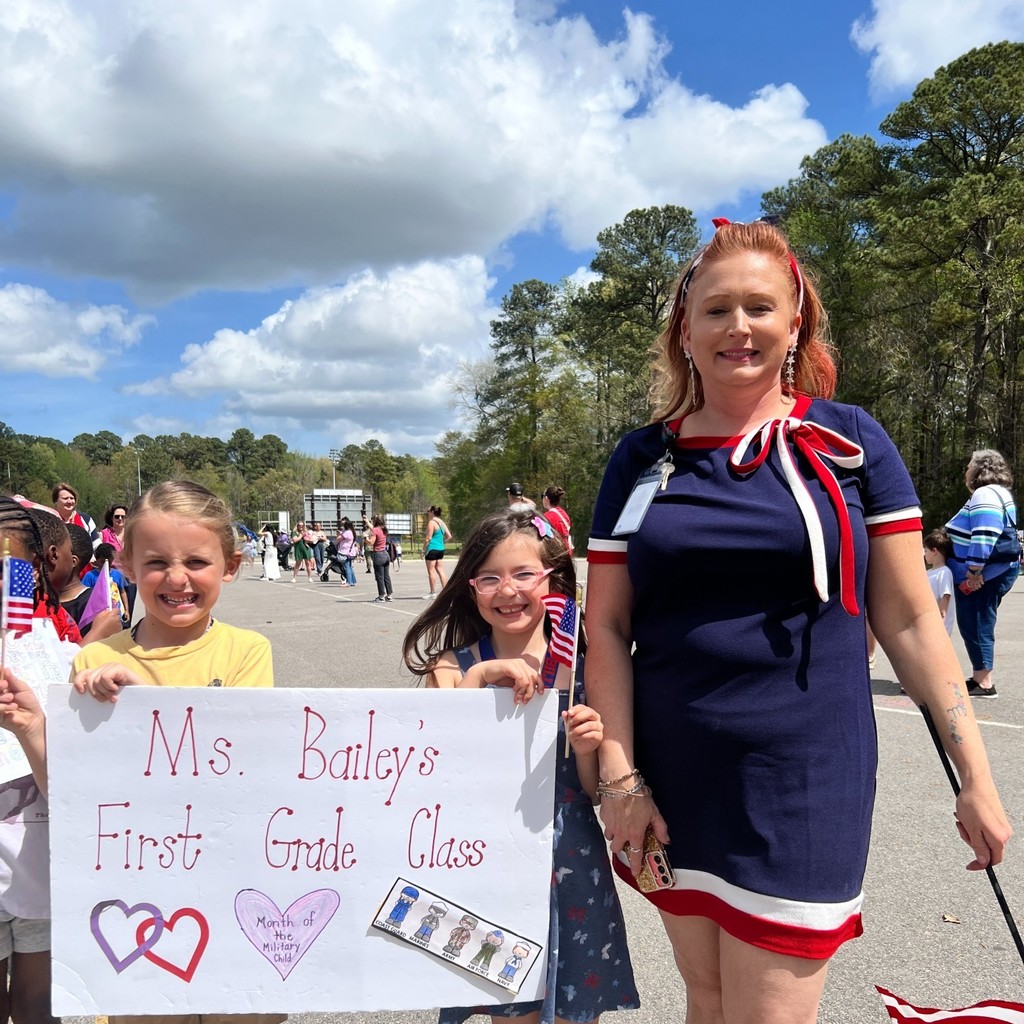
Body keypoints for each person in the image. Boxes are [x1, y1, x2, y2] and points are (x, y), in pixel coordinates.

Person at [585, 219, 1011, 1024]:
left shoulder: (852, 441)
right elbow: (606, 628)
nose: (737, 327)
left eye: (759, 307)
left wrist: (976, 780)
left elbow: (914, 621)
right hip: (669, 779)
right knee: (706, 1000)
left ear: (795, 324)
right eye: (714, 310)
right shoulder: (640, 458)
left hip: (803, 780)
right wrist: (620, 780)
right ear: (684, 329)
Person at [403, 509, 639, 1024]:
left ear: (553, 581)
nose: (506, 590)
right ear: (470, 589)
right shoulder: (454, 664)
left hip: (569, 853)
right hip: (486, 856)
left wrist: (585, 746)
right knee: (512, 1008)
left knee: (577, 1003)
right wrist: (483, 674)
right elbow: (438, 762)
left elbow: (590, 792)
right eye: (489, 577)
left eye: (523, 574)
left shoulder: (579, 664)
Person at [946, 449, 1019, 697]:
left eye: (969, 466)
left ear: (980, 469)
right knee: (978, 621)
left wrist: (974, 572)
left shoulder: (985, 494)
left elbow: (985, 533)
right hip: (994, 570)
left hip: (983, 573)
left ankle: (985, 682)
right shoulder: (1000, 493)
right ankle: (980, 675)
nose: (966, 470)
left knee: (977, 622)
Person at [923, 528, 956, 637]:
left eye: (926, 551)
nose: (924, 554)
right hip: (928, 624)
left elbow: (945, 597)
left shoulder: (944, 573)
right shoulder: (929, 572)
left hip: (938, 628)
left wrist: (940, 622)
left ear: (934, 551)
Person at [422, 505, 452, 599]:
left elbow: (428, 538)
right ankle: (445, 591)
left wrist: (423, 550)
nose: (427, 513)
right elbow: (449, 536)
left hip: (432, 549)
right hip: (440, 549)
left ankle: (432, 592)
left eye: (428, 511)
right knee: (440, 569)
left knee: (431, 571)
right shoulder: (442, 522)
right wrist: (442, 542)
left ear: (432, 512)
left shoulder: (432, 522)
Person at [363, 514, 393, 602]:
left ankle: (381, 596)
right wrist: (367, 521)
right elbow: (374, 529)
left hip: (378, 555)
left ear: (375, 521)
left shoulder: (375, 530)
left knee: (379, 576)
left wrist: (365, 538)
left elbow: (371, 542)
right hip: (385, 554)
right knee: (386, 576)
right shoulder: (384, 529)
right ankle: (389, 595)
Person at [540, 486, 572, 556]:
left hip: (555, 553)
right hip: (566, 551)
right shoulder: (563, 513)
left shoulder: (546, 517)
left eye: (542, 496)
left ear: (546, 498)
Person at [333, 517, 359, 587]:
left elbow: (338, 539)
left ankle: (349, 582)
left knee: (346, 567)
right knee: (350, 567)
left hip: (345, 552)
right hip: (350, 552)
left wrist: (339, 534)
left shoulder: (347, 532)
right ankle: (353, 581)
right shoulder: (351, 532)